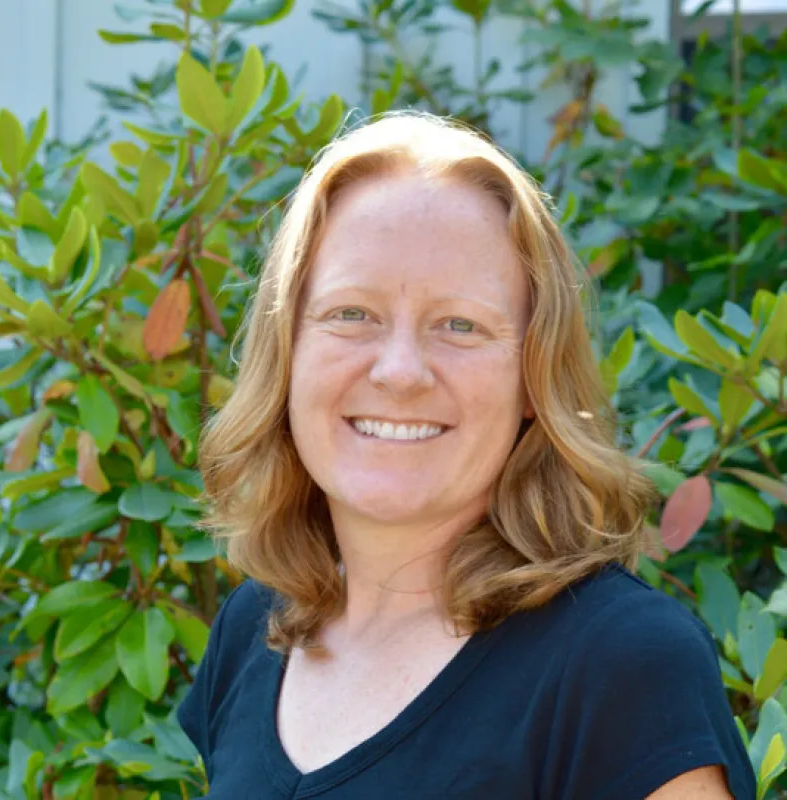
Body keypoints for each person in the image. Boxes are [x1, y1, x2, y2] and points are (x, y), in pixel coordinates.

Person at [178, 110, 756, 799]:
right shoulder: (255, 628)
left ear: (532, 379)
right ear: (288, 352)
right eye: (351, 314)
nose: (400, 371)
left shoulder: (622, 666)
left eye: (460, 324)